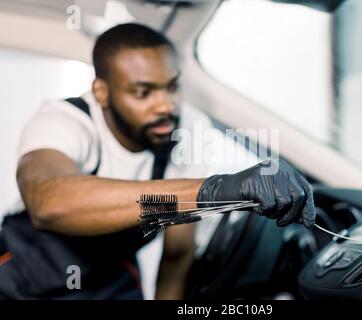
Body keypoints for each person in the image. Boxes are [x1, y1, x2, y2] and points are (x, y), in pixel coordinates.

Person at [0, 23, 315, 299]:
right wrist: (217, 191)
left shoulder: (187, 129)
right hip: (19, 277)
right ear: (102, 92)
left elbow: (177, 254)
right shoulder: (64, 120)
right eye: (143, 93)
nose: (166, 105)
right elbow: (49, 201)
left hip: (109, 282)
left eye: (172, 86)